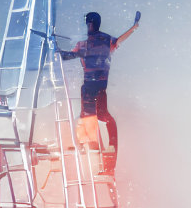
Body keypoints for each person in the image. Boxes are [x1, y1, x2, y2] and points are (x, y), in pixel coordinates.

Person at [58, 10, 140, 174]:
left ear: (90, 23)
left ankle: (91, 148)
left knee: (91, 116)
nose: (88, 26)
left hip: (92, 87)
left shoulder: (86, 44)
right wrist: (134, 27)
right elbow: (119, 40)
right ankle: (95, 149)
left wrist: (54, 50)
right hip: (99, 87)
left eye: (88, 22)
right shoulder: (104, 40)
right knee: (98, 116)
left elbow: (66, 56)